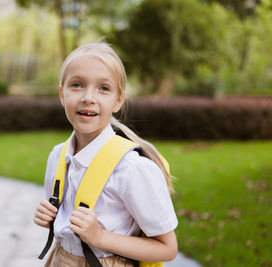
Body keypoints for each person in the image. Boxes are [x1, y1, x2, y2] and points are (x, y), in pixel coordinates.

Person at [34, 43, 178, 267]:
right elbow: (68, 225)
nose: (88, 97)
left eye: (103, 88)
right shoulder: (57, 157)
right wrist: (53, 219)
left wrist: (100, 237)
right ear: (62, 94)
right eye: (77, 85)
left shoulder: (131, 169)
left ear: (118, 100)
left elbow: (167, 248)